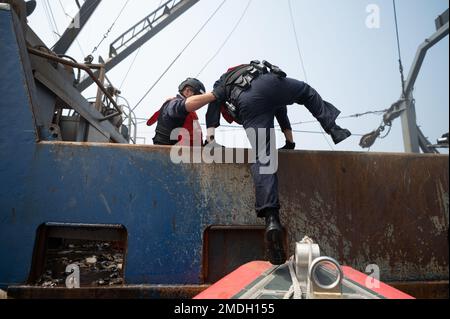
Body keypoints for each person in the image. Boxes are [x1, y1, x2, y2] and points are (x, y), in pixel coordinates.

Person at [179, 60, 352, 265]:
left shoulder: (224, 81)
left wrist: (211, 140)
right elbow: (281, 111)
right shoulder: (255, 70)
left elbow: (213, 107)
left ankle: (272, 221)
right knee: (306, 91)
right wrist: (289, 142)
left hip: (248, 100)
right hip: (272, 83)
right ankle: (333, 127)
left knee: (264, 157)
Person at [148, 78, 205, 146]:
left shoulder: (168, 104)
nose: (198, 102)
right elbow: (193, 136)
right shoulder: (186, 112)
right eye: (197, 97)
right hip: (174, 151)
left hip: (163, 146)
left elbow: (150, 122)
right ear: (187, 91)